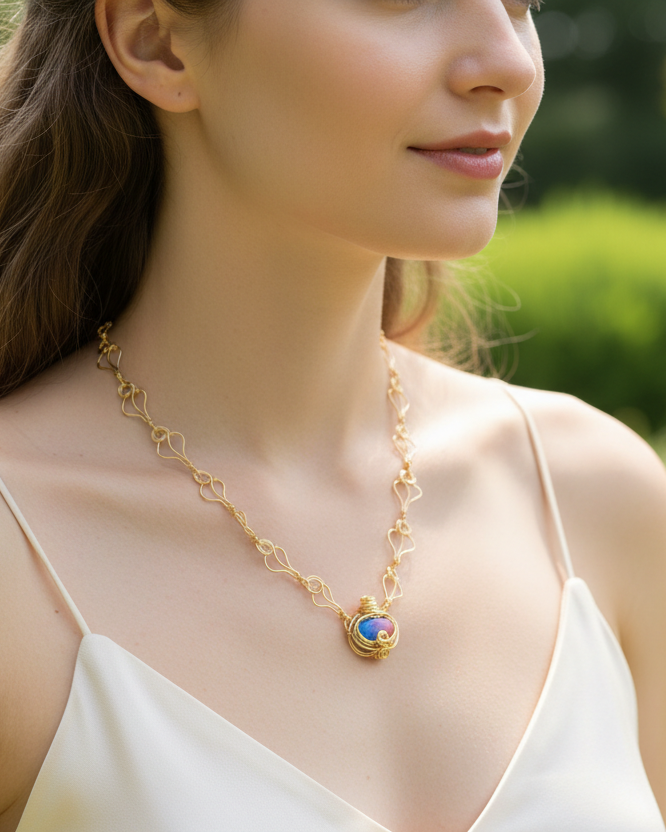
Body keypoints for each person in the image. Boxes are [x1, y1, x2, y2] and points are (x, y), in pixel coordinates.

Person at [0, 0, 665, 829]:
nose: (511, 62)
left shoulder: (597, 500)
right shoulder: (18, 560)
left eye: (521, 2)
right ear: (157, 42)